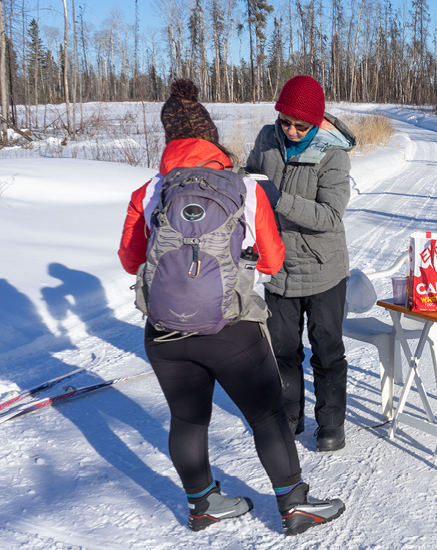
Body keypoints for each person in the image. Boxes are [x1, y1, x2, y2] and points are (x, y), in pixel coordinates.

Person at [117, 79, 344, 535]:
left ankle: (203, 504)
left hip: (164, 330)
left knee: (186, 417)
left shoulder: (148, 190)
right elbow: (275, 259)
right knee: (265, 415)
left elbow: (129, 260)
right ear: (211, 137)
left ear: (169, 142)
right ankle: (294, 505)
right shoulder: (243, 189)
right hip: (229, 328)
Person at [244, 75, 356, 452]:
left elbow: (329, 216)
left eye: (300, 125)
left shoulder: (332, 155)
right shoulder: (267, 139)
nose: (291, 130)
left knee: (326, 349)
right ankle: (290, 416)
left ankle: (331, 423)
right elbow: (250, 178)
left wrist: (279, 200)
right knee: (281, 349)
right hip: (277, 265)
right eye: (285, 122)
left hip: (323, 268)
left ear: (316, 122)